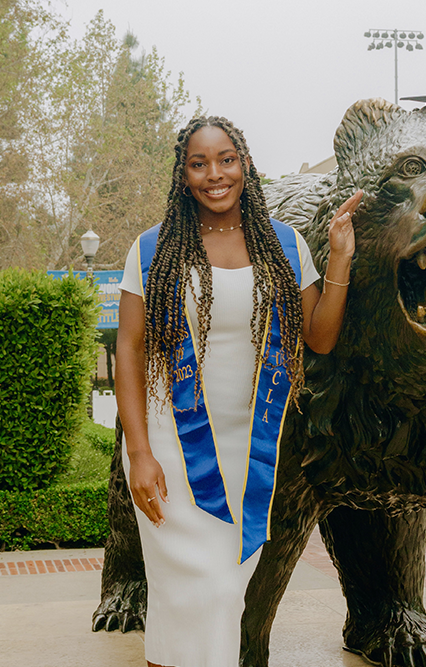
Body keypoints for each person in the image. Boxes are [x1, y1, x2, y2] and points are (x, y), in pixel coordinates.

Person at [115, 115, 362, 667]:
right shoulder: (153, 250)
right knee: (192, 596)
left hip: (249, 445)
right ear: (183, 176)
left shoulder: (282, 244)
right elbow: (128, 349)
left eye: (226, 159)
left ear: (245, 164)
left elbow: (319, 339)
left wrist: (340, 256)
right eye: (198, 164)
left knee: (223, 599)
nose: (214, 175)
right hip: (174, 447)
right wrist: (139, 454)